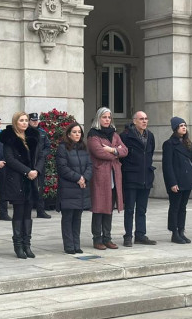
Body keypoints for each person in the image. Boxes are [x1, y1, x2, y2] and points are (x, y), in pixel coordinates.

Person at [0, 112, 40, 259]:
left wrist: (36, 171)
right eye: (21, 121)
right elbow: (10, 160)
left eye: (26, 121)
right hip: (16, 180)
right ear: (15, 122)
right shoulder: (9, 139)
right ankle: (18, 245)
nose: (24, 123)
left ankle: (27, 245)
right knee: (19, 212)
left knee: (28, 213)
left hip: (31, 179)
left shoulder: (32, 137)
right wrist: (27, 171)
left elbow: (39, 156)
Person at [87, 107, 128, 250]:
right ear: (98, 118)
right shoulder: (93, 135)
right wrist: (117, 153)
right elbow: (99, 153)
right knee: (99, 207)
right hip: (100, 175)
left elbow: (125, 150)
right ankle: (97, 239)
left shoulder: (114, 134)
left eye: (109, 117)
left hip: (114, 175)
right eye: (104, 117)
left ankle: (107, 238)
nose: (107, 120)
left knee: (109, 207)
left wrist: (112, 150)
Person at [119, 110, 156, 246]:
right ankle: (128, 236)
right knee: (129, 209)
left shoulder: (150, 136)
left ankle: (140, 234)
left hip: (146, 176)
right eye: (141, 119)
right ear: (134, 121)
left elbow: (150, 153)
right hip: (131, 176)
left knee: (142, 209)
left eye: (146, 118)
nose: (144, 121)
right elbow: (122, 157)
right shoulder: (126, 136)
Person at [56, 122, 92, 255]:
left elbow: (89, 165)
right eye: (74, 132)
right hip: (69, 187)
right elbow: (63, 168)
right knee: (68, 218)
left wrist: (85, 178)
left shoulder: (84, 148)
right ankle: (69, 245)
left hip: (81, 188)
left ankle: (77, 244)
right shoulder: (62, 148)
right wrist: (78, 178)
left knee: (77, 218)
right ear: (69, 134)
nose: (77, 134)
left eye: (79, 132)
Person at [162, 117, 192, 244]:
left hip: (187, 179)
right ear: (175, 128)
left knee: (183, 207)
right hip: (177, 180)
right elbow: (167, 165)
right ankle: (174, 232)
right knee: (175, 207)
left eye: (185, 125)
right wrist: (172, 183)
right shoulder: (169, 144)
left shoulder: (186, 142)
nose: (184, 127)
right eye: (181, 125)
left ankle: (181, 230)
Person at [28, 113, 52, 219]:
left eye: (36, 120)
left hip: (39, 163)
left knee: (40, 188)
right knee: (27, 188)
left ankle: (40, 210)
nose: (35, 122)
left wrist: (43, 154)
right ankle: (27, 210)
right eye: (33, 120)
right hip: (28, 162)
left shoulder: (42, 132)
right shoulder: (25, 132)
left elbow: (48, 146)